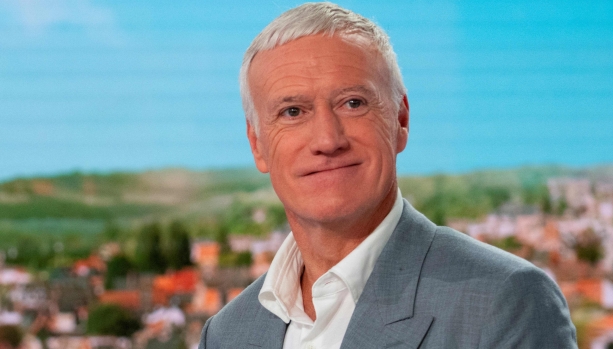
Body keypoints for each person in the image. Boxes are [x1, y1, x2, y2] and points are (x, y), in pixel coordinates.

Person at [199, 2, 577, 348]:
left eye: (353, 103)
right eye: (293, 112)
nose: (328, 140)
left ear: (400, 119)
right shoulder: (227, 334)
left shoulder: (506, 301)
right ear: (257, 145)